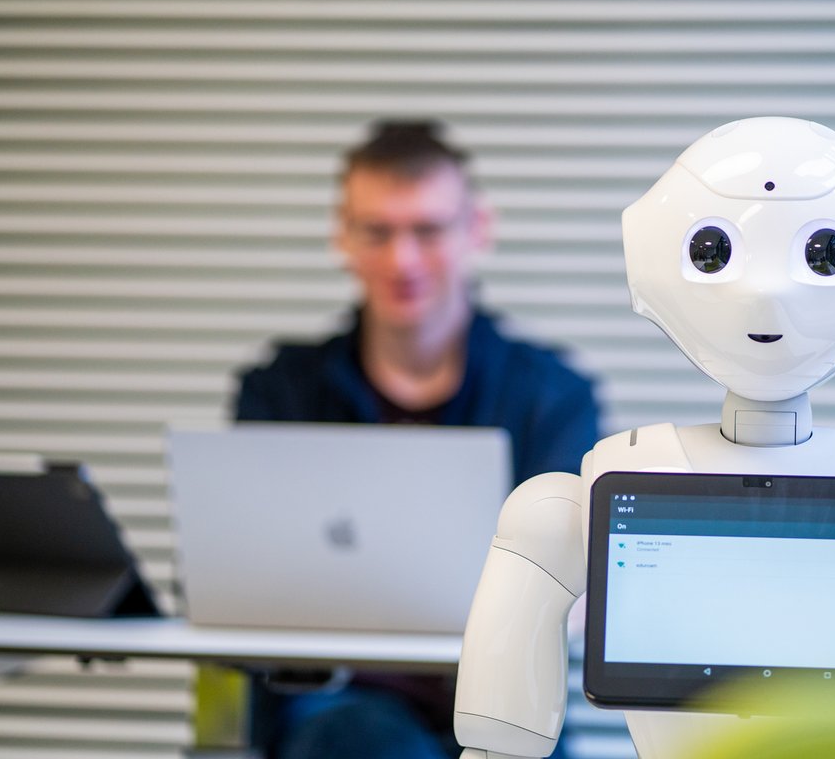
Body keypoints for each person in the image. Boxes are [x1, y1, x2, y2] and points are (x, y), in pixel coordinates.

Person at [233, 120, 600, 759]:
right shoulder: (281, 393)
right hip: (331, 711)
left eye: (428, 230)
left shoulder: (552, 396)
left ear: (476, 231)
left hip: (504, 712)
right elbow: (237, 573)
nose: (403, 260)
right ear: (342, 236)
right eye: (377, 232)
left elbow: (577, 589)